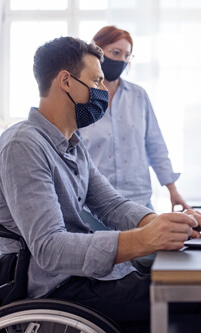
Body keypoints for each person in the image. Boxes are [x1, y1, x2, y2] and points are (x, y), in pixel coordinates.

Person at [0, 36, 201, 333]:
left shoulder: (72, 144)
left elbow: (110, 205)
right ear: (66, 82)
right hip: (58, 289)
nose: (103, 90)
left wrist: (164, 222)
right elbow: (49, 249)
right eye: (96, 80)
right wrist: (144, 239)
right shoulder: (23, 146)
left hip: (87, 278)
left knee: (199, 280)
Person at [78, 26, 189, 231]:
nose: (121, 60)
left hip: (138, 200)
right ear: (97, 51)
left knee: (148, 258)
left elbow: (155, 145)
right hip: (93, 205)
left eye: (127, 55)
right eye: (115, 53)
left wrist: (173, 190)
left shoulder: (138, 96)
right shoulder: (81, 97)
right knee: (103, 259)